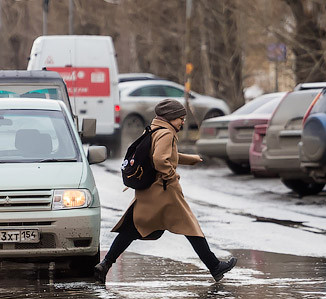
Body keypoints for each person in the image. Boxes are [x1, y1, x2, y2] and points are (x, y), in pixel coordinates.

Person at [94, 98, 237, 283]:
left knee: (132, 229)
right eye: (180, 118)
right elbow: (160, 159)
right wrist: (171, 177)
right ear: (170, 118)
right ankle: (215, 267)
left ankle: (104, 265)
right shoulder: (167, 133)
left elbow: (165, 154)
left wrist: (189, 159)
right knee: (191, 227)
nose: (183, 122)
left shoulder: (155, 129)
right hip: (165, 191)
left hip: (150, 191)